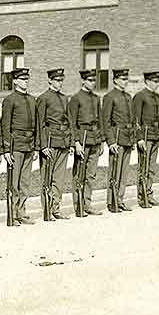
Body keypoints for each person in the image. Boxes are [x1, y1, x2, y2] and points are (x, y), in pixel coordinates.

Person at [1, 68, 37, 225]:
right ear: (15, 81)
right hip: (15, 146)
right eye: (22, 79)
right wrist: (7, 149)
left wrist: (35, 146)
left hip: (29, 145)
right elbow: (5, 126)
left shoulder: (32, 99)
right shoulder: (10, 100)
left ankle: (21, 212)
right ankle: (13, 214)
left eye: (27, 78)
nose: (25, 81)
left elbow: (35, 125)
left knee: (25, 182)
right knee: (14, 183)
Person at [37, 68, 72, 221]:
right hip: (50, 143)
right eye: (57, 80)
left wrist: (70, 142)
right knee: (47, 178)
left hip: (63, 141)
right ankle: (47, 209)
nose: (60, 83)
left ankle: (56, 208)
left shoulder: (64, 98)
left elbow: (69, 121)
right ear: (50, 80)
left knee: (59, 178)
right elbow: (40, 123)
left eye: (61, 80)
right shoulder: (44, 98)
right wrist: (43, 145)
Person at [68, 69, 103, 216]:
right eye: (89, 80)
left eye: (94, 80)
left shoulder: (96, 98)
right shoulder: (76, 98)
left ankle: (87, 203)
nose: (92, 83)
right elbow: (72, 122)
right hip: (82, 139)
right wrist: (75, 142)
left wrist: (101, 141)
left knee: (91, 175)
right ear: (83, 81)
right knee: (79, 174)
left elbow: (100, 120)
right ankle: (78, 205)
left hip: (95, 138)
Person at [102, 68, 135, 212]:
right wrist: (110, 141)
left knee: (124, 171)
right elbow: (106, 121)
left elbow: (132, 119)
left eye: (126, 79)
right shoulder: (110, 96)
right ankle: (112, 201)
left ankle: (120, 199)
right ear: (115, 80)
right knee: (115, 171)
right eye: (122, 79)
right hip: (116, 137)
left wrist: (133, 138)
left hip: (127, 137)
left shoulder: (128, 96)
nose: (125, 81)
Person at [131, 71, 159, 207]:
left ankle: (149, 194)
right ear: (147, 81)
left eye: (158, 81)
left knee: (151, 168)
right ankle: (142, 196)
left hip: (155, 135)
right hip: (145, 136)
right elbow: (136, 119)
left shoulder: (156, 96)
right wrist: (139, 138)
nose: (157, 84)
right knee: (143, 167)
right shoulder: (140, 96)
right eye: (154, 81)